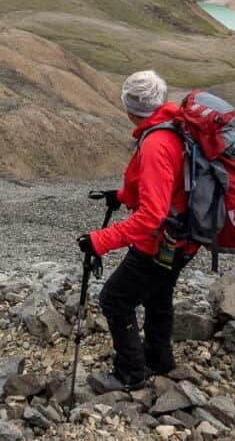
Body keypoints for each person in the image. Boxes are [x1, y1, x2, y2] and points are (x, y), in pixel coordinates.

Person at [77, 70, 197, 391]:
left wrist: (100, 240)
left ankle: (129, 372)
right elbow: (166, 188)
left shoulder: (156, 143)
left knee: (115, 299)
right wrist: (122, 196)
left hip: (162, 241)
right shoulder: (172, 126)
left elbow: (152, 217)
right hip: (184, 237)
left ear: (132, 107)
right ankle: (158, 358)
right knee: (158, 294)